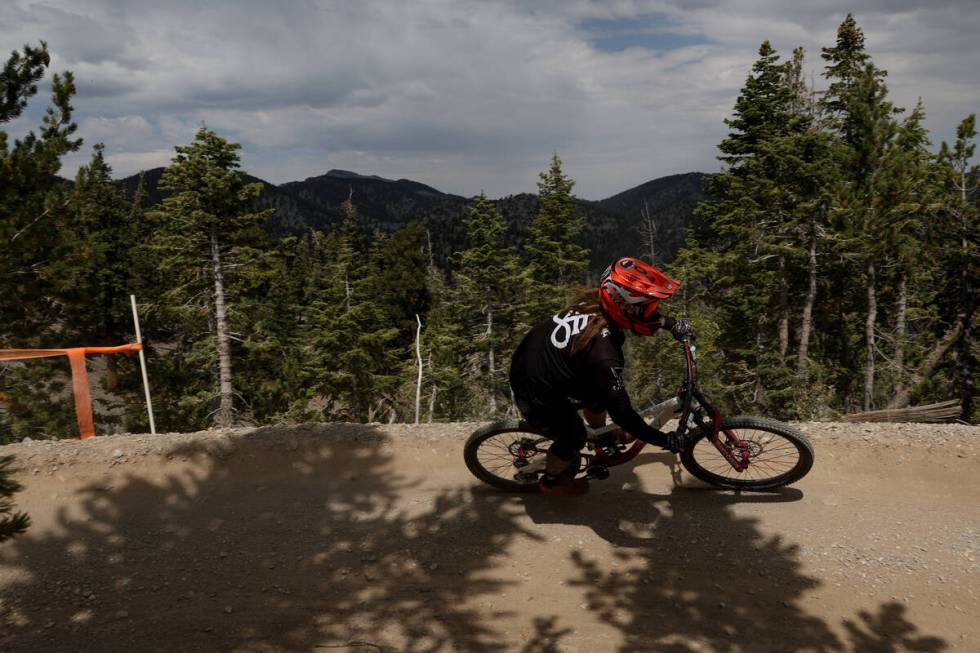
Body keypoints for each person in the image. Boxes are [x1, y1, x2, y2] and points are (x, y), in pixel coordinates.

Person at [508, 257, 693, 497]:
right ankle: (552, 481)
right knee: (573, 436)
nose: (651, 312)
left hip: (541, 360)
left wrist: (671, 324)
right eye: (646, 308)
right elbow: (624, 415)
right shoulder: (604, 354)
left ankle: (600, 436)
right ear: (622, 306)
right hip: (535, 385)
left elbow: (637, 314)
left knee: (598, 394)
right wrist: (663, 440)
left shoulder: (595, 303)